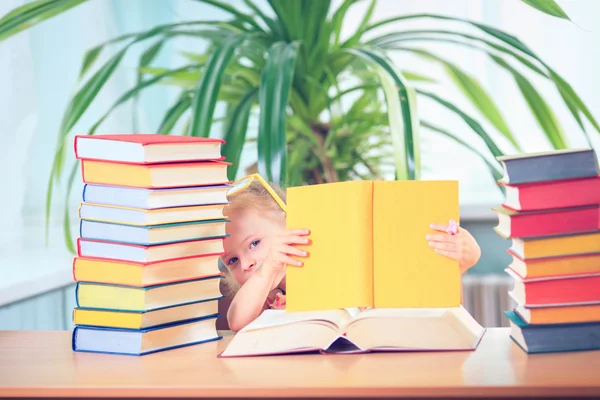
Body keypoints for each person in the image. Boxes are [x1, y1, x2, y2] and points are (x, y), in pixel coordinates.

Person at [220, 174, 481, 332]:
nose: (246, 264)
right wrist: (266, 273)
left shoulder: (337, 259)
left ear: (292, 224)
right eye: (232, 260)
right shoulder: (260, 296)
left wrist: (458, 266)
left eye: (254, 244)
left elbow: (441, 309)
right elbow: (237, 322)